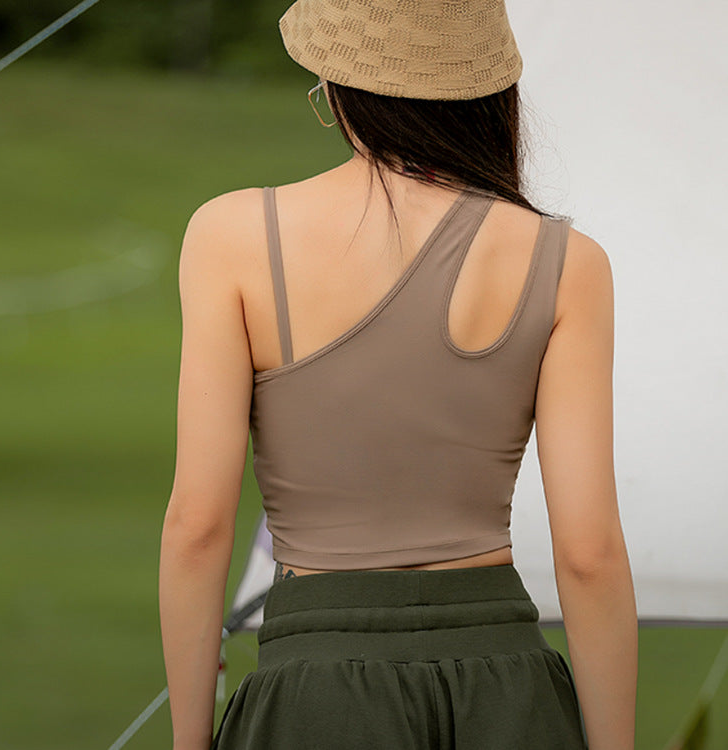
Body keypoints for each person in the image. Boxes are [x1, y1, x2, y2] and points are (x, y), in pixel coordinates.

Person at [158, 1, 638, 748]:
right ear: (488, 94)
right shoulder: (568, 263)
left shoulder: (231, 237)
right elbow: (590, 553)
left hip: (315, 695)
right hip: (506, 691)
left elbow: (198, 526)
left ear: (344, 88)